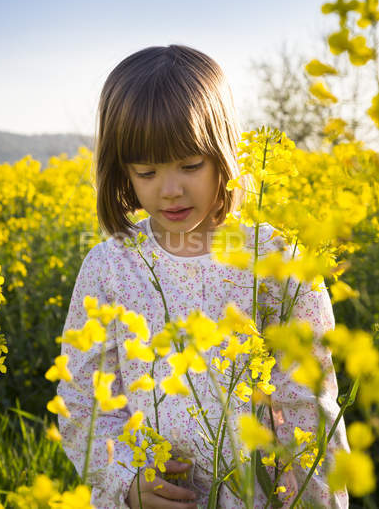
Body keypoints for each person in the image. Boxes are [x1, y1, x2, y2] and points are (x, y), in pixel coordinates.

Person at [57, 45, 349, 508]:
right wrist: (124, 484)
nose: (170, 190)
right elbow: (82, 401)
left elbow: (308, 409)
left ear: (224, 154)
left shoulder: (276, 260)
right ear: (122, 172)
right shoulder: (109, 266)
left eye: (190, 165)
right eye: (146, 171)